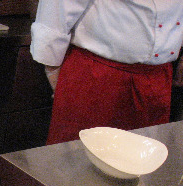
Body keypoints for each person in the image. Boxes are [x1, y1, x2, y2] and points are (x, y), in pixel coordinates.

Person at [30, 0, 183, 145]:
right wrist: (54, 74)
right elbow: (55, 14)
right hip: (96, 76)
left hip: (158, 80)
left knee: (142, 162)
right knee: (77, 159)